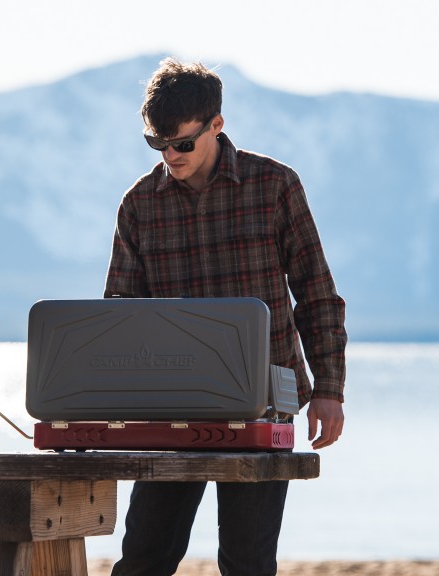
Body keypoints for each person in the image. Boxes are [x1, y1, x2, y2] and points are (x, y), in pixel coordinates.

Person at [104, 57, 347, 576]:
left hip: (265, 406)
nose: (170, 155)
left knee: (247, 563)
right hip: (170, 409)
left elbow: (317, 293)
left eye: (182, 143)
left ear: (217, 125)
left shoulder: (275, 186)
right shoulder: (138, 205)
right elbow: (120, 317)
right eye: (156, 144)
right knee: (144, 559)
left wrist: (329, 388)